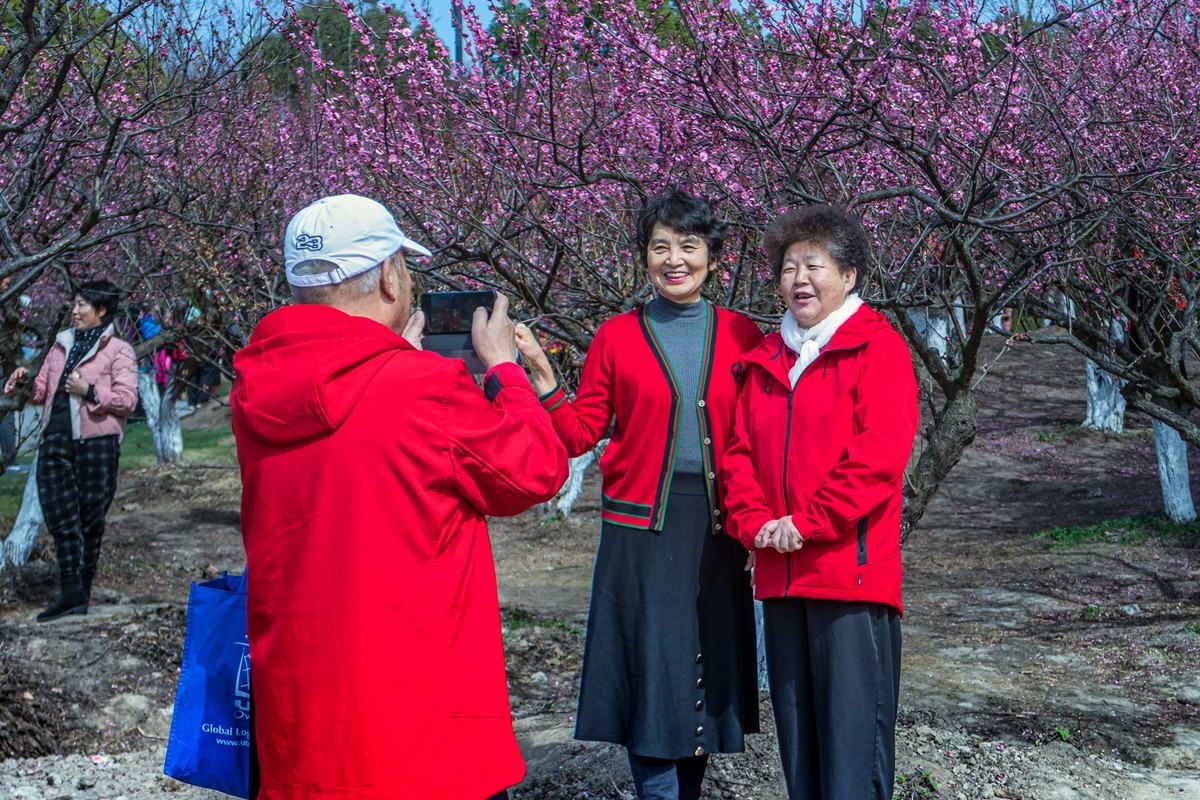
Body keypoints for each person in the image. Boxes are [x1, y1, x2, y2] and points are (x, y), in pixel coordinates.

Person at [229, 194, 568, 800]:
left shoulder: (255, 386)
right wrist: (503, 370)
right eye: (405, 269)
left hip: (303, 723)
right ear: (389, 275)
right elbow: (537, 472)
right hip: (418, 728)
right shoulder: (422, 389)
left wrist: (390, 360)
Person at [515, 188, 763, 800]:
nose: (675, 260)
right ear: (643, 258)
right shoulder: (616, 337)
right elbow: (580, 433)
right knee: (653, 678)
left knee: (699, 674)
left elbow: (763, 430)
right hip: (639, 533)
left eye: (689, 246)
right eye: (660, 247)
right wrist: (545, 382)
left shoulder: (744, 335)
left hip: (718, 530)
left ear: (713, 257)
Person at [720, 205, 919, 800]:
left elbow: (877, 459)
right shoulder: (764, 358)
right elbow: (738, 454)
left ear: (850, 275)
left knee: (853, 746)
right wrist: (757, 526)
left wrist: (805, 525)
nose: (799, 280)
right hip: (781, 577)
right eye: (788, 268)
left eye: (815, 266)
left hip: (847, 576)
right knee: (799, 744)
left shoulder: (877, 349)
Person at [4, 280, 138, 621]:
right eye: (74, 304)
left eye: (82, 305)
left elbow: (127, 401)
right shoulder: (60, 345)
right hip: (55, 441)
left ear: (101, 311)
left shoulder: (118, 350)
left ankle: (79, 593)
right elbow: (40, 392)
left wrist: (89, 390)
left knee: (90, 520)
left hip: (97, 445)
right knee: (61, 517)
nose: (75, 311)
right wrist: (22, 381)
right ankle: (72, 591)